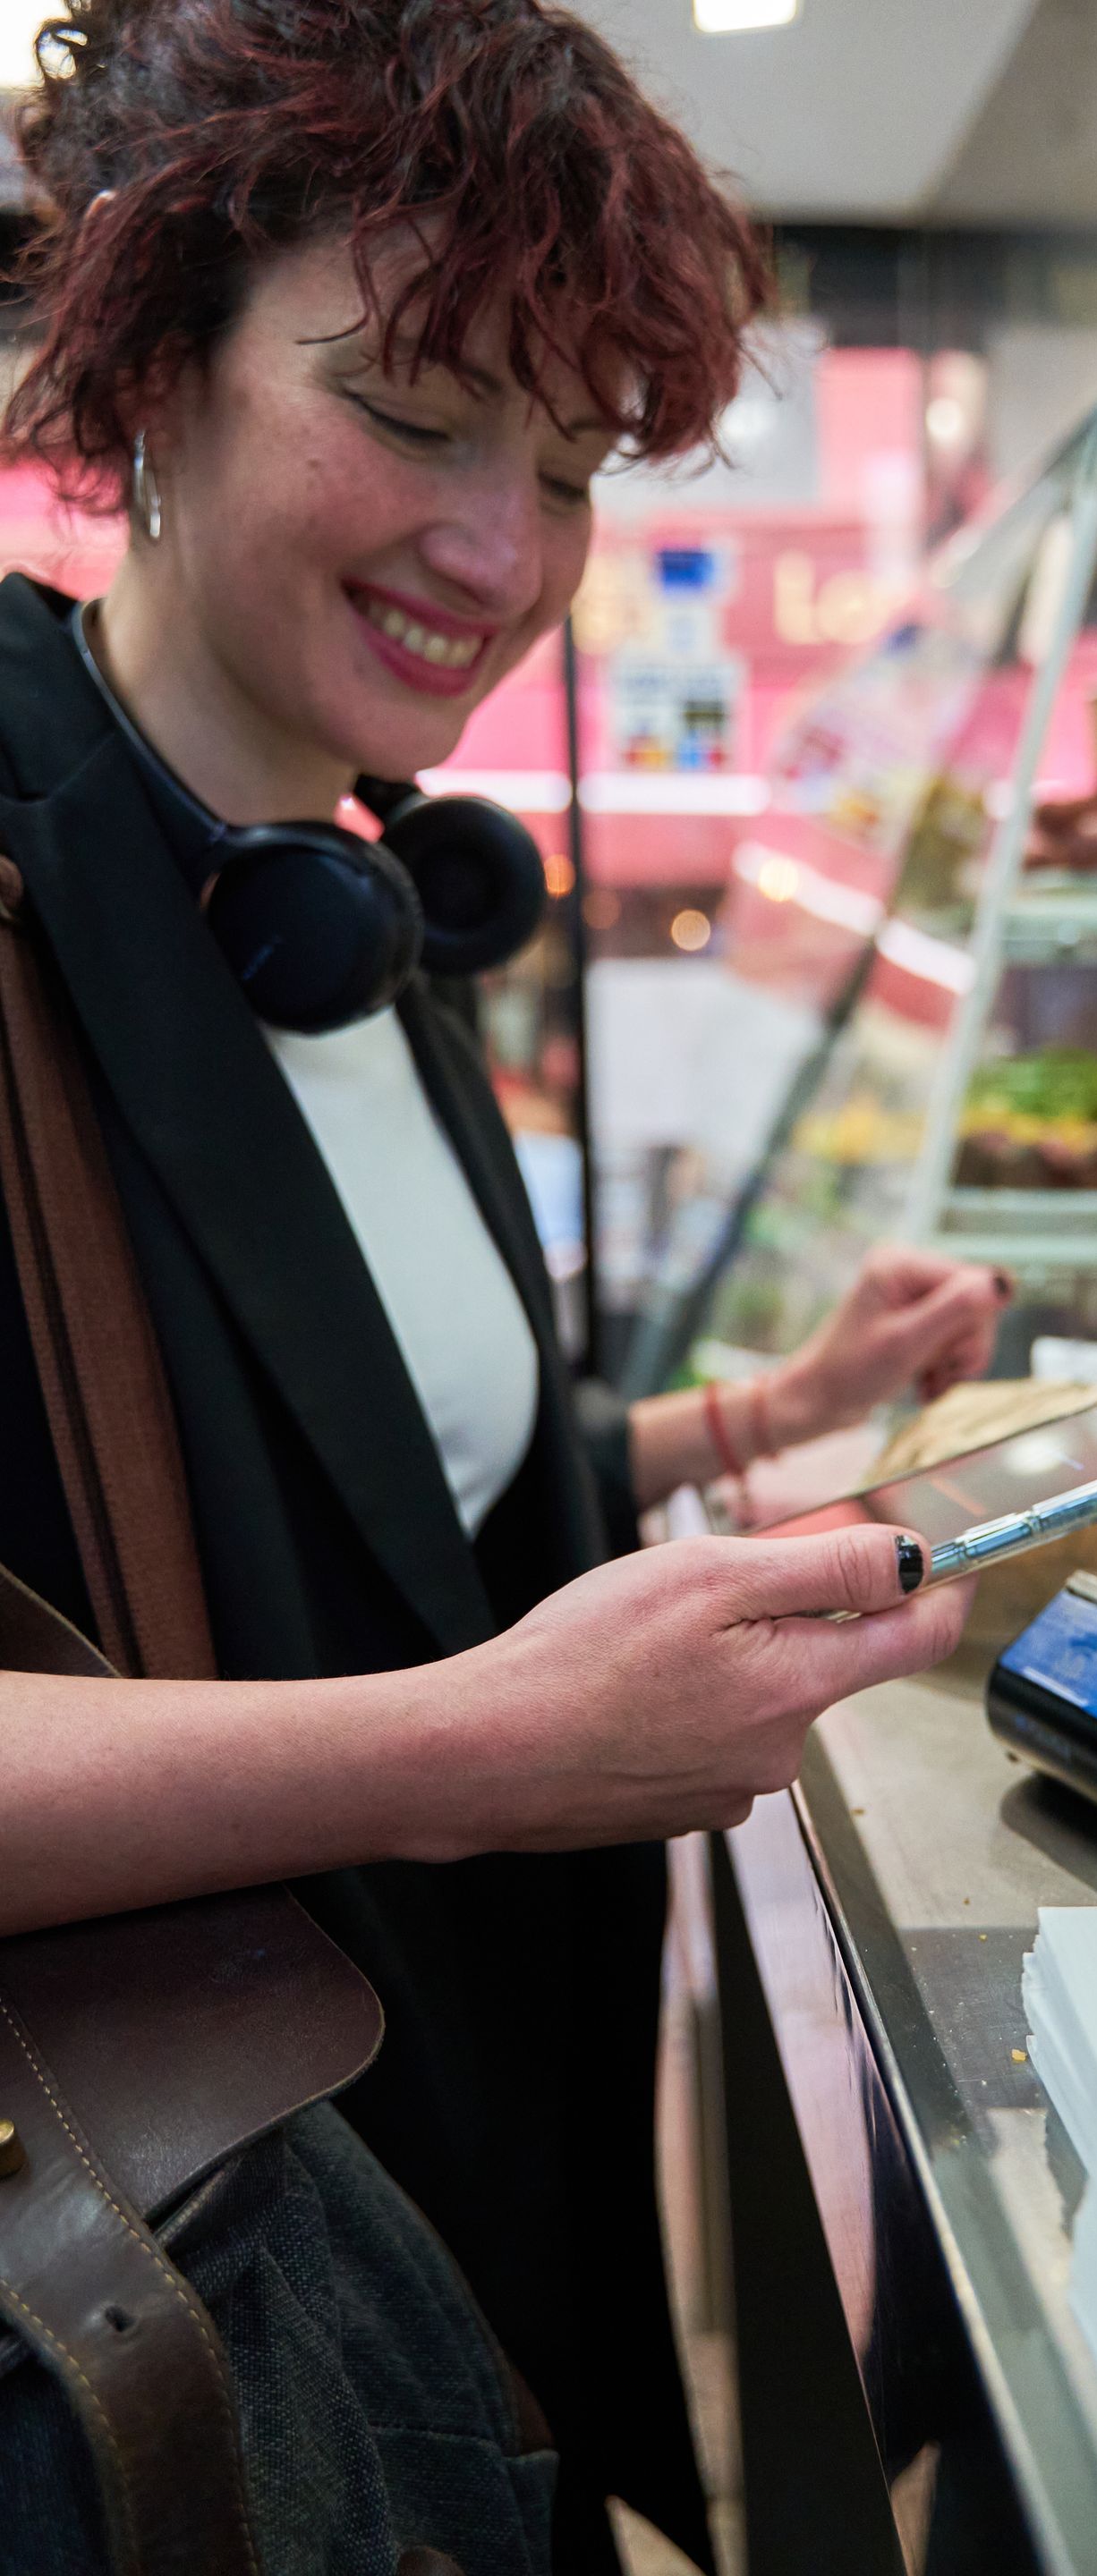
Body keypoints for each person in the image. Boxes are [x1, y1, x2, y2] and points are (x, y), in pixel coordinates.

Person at [0, 2, 1005, 2567]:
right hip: (193, 2288)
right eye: (420, 409)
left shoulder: (364, 897)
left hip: (466, 2195)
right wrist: (470, 1746)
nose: (505, 551)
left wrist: (741, 1420)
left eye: (564, 469)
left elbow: (382, 1462)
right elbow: (415, 1668)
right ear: (151, 357)